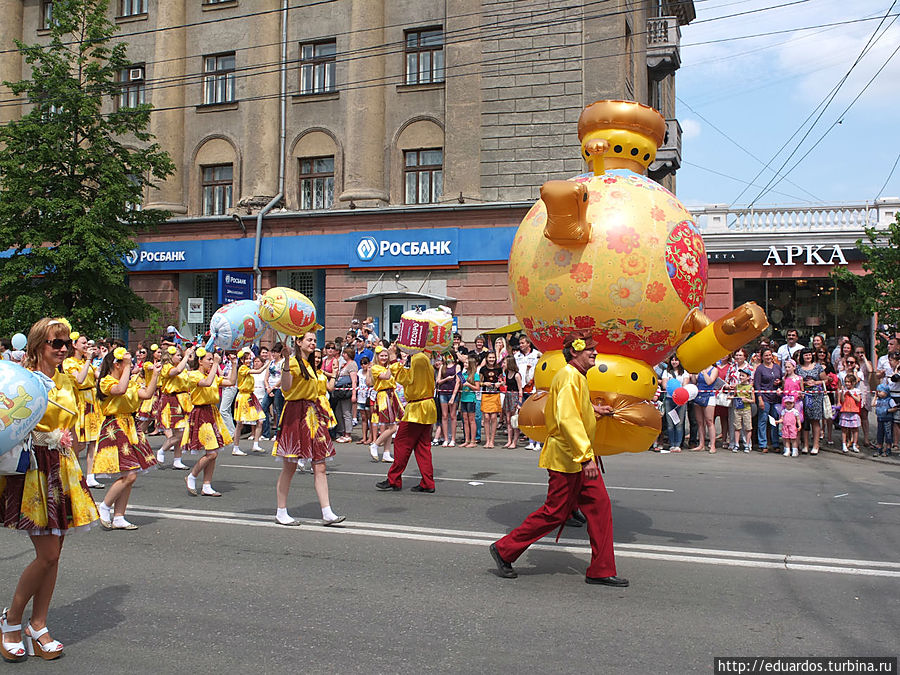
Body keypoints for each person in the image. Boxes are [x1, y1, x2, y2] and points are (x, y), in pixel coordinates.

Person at [489, 332, 627, 587]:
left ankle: (601, 569)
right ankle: (504, 549)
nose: (595, 353)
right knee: (555, 512)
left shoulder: (576, 376)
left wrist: (594, 409)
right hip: (568, 458)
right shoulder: (569, 376)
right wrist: (586, 458)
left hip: (577, 457)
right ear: (575, 352)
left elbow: (574, 408)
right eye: (590, 349)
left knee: (600, 507)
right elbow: (567, 419)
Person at [0, 318, 99, 662]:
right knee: (48, 554)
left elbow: (73, 423)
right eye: (56, 343)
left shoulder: (68, 378)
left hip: (62, 466)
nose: (63, 349)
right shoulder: (21, 379)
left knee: (55, 552)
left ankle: (38, 624)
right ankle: (11, 620)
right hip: (33, 466)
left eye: (67, 343)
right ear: (37, 345)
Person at [273, 333, 344, 527]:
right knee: (290, 466)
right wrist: (286, 362)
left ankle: (327, 512)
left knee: (320, 464)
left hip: (313, 414)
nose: (313, 343)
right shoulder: (293, 362)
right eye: (309, 340)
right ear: (298, 342)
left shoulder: (311, 366)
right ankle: (281, 511)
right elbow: (286, 387)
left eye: (314, 340)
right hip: (295, 413)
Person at [93, 347, 160, 530]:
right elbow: (120, 390)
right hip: (115, 426)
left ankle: (119, 516)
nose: (131, 365)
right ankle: (105, 505)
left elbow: (147, 394)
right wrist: (129, 367)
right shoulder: (106, 381)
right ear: (117, 364)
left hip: (130, 425)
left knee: (131, 474)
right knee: (129, 473)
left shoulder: (130, 383)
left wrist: (155, 375)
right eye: (127, 362)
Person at [375, 350, 438, 493]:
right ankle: (427, 482)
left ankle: (394, 479)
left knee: (402, 443)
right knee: (422, 447)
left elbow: (406, 379)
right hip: (424, 407)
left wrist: (393, 361)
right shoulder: (423, 358)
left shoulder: (418, 358)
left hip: (418, 408)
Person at [182, 348, 238, 498]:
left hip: (212, 412)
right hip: (200, 413)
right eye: (209, 359)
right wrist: (217, 365)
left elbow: (231, 382)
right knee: (212, 453)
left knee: (213, 451)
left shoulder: (212, 374)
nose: (212, 362)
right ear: (200, 361)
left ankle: (207, 485)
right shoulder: (193, 375)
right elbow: (206, 383)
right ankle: (192, 476)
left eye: (213, 359)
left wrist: (234, 364)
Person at [63, 332, 104, 489]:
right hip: (80, 402)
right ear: (74, 345)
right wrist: (88, 360)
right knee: (78, 443)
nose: (87, 346)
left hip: (92, 401)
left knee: (93, 441)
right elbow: (79, 379)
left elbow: (99, 376)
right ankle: (73, 472)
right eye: (83, 343)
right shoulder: (68, 362)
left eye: (87, 343)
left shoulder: (87, 362)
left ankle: (91, 476)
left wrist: (104, 359)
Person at [155, 345, 195, 469]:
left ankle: (177, 460)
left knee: (180, 431)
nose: (180, 357)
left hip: (183, 401)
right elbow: (176, 371)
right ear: (171, 356)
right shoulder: (167, 367)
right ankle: (162, 450)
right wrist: (186, 356)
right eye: (178, 355)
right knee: (180, 432)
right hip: (172, 400)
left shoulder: (182, 367)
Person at [232, 348, 267, 455]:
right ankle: (235, 447)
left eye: (249, 358)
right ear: (242, 360)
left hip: (251, 396)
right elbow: (259, 371)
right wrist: (268, 363)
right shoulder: (242, 368)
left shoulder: (246, 368)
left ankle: (255, 444)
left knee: (260, 419)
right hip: (243, 397)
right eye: (246, 359)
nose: (248, 360)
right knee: (240, 423)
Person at [368, 346, 401, 462]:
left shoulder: (387, 367)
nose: (384, 358)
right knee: (393, 427)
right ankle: (375, 444)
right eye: (381, 355)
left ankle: (386, 453)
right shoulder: (375, 368)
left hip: (391, 395)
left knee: (390, 426)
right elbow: (386, 377)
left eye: (386, 355)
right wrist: (392, 364)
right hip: (383, 396)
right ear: (377, 356)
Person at [797, 348, 826, 455]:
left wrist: (815, 382)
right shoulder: (798, 368)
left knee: (815, 421)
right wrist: (804, 384)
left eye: (809, 355)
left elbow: (825, 380)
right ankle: (805, 445)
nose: (808, 357)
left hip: (816, 396)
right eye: (805, 355)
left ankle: (815, 445)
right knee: (805, 421)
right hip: (803, 396)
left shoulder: (818, 367)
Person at [754, 348, 783, 452]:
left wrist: (779, 383)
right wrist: (760, 399)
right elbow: (757, 385)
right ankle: (763, 444)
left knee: (775, 420)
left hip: (776, 398)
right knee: (763, 420)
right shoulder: (760, 369)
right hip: (764, 397)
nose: (768, 357)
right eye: (766, 355)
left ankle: (775, 443)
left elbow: (782, 380)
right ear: (762, 357)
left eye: (769, 355)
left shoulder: (777, 367)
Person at [663, 354, 690, 453]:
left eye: (676, 360)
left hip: (681, 400)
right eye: (672, 360)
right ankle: (672, 444)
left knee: (679, 423)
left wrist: (678, 391)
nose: (674, 362)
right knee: (670, 424)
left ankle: (678, 445)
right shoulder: (666, 372)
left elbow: (685, 385)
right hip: (669, 400)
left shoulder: (684, 373)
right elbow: (664, 385)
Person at [332, 346, 358, 443]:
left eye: (345, 353)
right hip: (340, 393)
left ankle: (348, 434)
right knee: (339, 412)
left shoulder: (352, 364)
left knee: (346, 412)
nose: (343, 355)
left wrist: (354, 394)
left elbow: (354, 380)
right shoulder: (344, 365)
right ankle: (342, 431)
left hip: (346, 392)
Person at [691, 364, 718, 453]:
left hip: (709, 396)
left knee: (709, 421)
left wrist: (704, 372)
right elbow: (694, 382)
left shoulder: (714, 369)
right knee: (699, 422)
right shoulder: (700, 368)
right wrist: (694, 373)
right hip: (699, 395)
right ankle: (701, 444)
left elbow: (709, 381)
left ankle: (712, 445)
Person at [479, 352, 503, 448]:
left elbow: (502, 380)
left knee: (493, 417)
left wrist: (499, 383)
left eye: (493, 357)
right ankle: (487, 440)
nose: (491, 359)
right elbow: (479, 382)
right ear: (486, 358)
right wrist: (484, 383)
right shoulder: (483, 369)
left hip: (495, 394)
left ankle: (492, 440)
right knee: (486, 417)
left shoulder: (499, 369)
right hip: (486, 394)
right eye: (490, 357)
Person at [436, 353, 459, 447]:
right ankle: (446, 439)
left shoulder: (457, 366)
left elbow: (458, 381)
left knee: (453, 416)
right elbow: (438, 381)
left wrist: (453, 396)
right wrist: (446, 379)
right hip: (443, 393)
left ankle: (453, 439)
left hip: (453, 393)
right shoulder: (442, 366)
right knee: (444, 416)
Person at [459, 355, 480, 447]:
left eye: (467, 363)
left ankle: (473, 441)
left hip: (471, 398)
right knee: (465, 420)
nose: (465, 364)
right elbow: (461, 385)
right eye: (465, 363)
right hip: (463, 398)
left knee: (472, 420)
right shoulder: (463, 374)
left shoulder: (475, 375)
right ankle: (467, 440)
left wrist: (468, 384)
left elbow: (477, 388)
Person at [502, 355, 522, 449]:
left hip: (514, 396)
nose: (503, 364)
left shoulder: (517, 375)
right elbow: (505, 384)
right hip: (508, 396)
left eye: (505, 363)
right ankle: (509, 440)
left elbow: (520, 389)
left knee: (514, 420)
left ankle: (514, 441)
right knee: (508, 420)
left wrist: (519, 402)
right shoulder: (506, 373)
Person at [839, 373, 862, 453]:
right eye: (846, 382)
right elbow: (842, 400)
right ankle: (844, 444)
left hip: (854, 411)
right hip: (845, 411)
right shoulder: (844, 391)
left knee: (855, 429)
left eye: (849, 382)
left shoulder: (857, 391)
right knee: (844, 429)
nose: (847, 383)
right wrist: (843, 393)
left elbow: (858, 400)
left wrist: (852, 394)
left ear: (853, 382)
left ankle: (855, 444)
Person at [733, 368, 754, 452]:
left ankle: (747, 445)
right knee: (737, 427)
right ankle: (736, 444)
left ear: (748, 377)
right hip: (738, 409)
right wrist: (731, 397)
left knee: (748, 427)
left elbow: (753, 400)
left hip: (746, 409)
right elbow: (734, 395)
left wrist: (746, 400)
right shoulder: (737, 386)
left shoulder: (750, 387)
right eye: (740, 375)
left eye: (743, 376)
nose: (741, 377)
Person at [873, 382, 894, 457]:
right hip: (880, 419)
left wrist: (887, 410)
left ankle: (888, 449)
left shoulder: (890, 400)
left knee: (888, 434)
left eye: (880, 391)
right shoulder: (878, 400)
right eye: (878, 391)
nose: (879, 393)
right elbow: (873, 404)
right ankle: (879, 448)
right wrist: (875, 396)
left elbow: (895, 408)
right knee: (880, 434)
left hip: (887, 419)